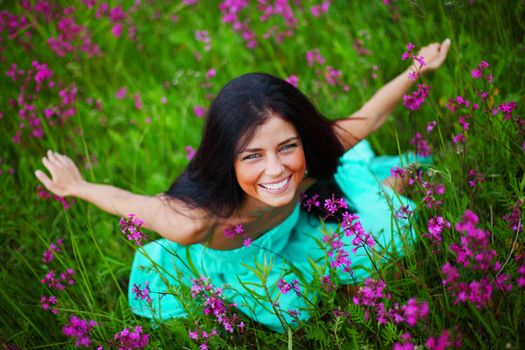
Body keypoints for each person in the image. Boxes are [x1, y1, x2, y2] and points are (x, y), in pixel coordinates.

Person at [35, 39, 450, 332]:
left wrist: (417, 66)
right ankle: (380, 184)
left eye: (287, 147)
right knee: (293, 309)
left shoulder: (305, 165)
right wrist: (77, 185)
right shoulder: (195, 220)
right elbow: (127, 201)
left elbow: (370, 117)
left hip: (294, 228)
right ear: (226, 159)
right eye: (252, 155)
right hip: (237, 264)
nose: (275, 170)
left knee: (387, 227)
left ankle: (382, 183)